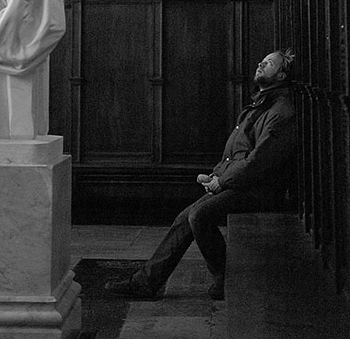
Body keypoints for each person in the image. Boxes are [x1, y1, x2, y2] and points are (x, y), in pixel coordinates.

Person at [105, 49, 296, 301]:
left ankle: (225, 279)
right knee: (185, 218)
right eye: (261, 60)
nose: (260, 64)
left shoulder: (280, 111)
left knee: (199, 216)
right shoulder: (260, 104)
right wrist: (215, 175)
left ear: (282, 75)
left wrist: (222, 182)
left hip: (261, 190)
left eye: (269, 63)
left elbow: (259, 163)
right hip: (242, 183)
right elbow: (237, 151)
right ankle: (146, 282)